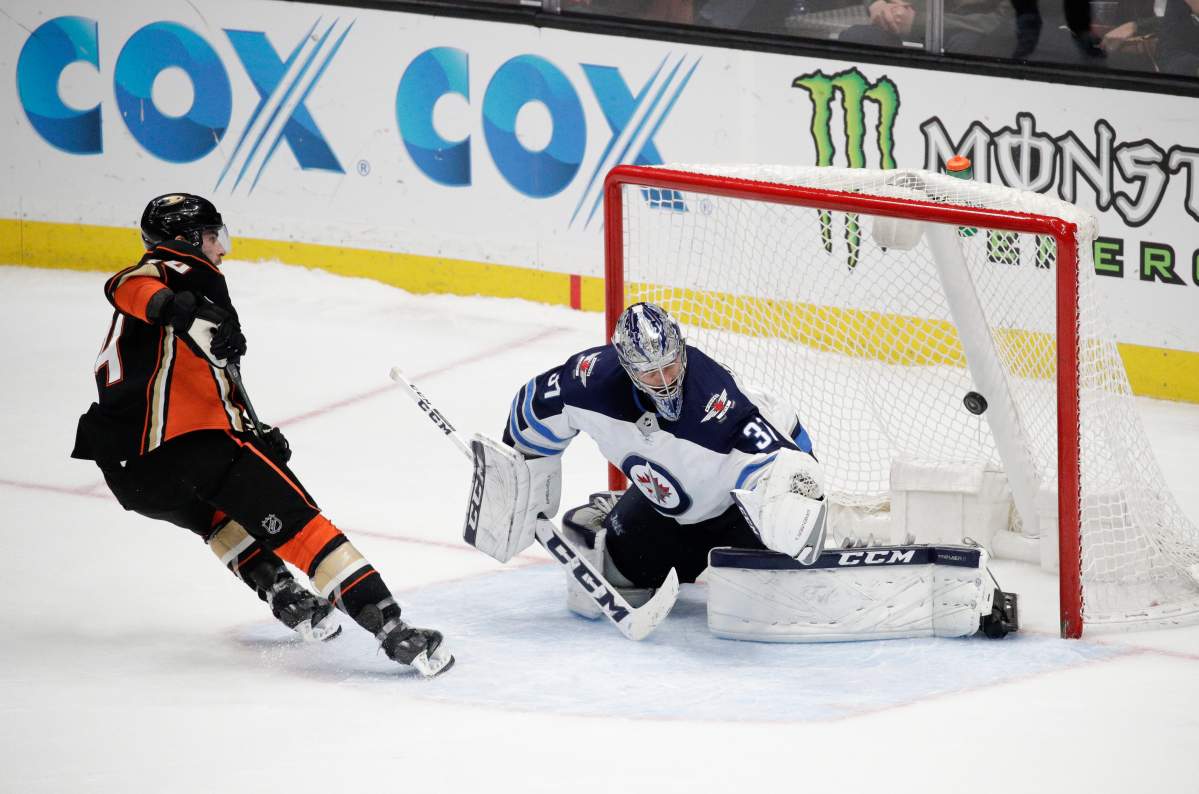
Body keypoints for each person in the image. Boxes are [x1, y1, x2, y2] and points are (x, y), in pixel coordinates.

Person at [70, 193, 453, 677]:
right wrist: (169, 305)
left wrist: (254, 431)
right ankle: (394, 630)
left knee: (218, 515)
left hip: (131, 473)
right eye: (212, 237)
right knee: (301, 525)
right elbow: (127, 283)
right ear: (188, 240)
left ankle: (282, 593)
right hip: (187, 447)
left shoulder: (183, 299)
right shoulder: (178, 273)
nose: (221, 249)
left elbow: (202, 383)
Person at [473, 301, 828, 603]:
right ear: (628, 369)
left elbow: (788, 461)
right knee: (620, 577)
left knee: (763, 597)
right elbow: (532, 406)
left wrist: (791, 509)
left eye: (671, 365)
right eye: (651, 374)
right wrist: (521, 478)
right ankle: (623, 509)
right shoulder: (591, 383)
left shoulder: (718, 404)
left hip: (739, 508)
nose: (666, 379)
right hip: (675, 506)